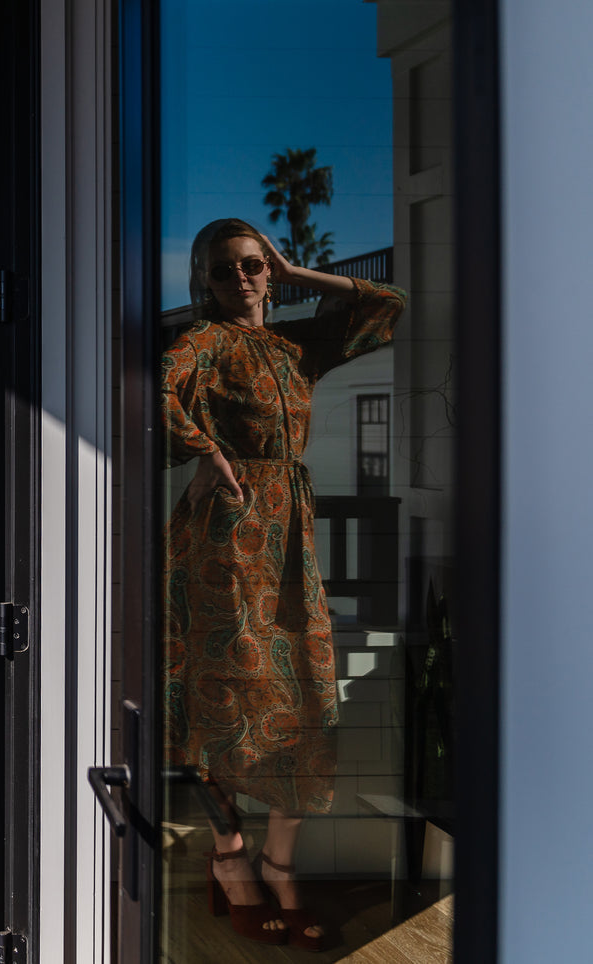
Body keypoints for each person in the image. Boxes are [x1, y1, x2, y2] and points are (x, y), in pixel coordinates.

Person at [162, 218, 406, 950]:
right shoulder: (203, 344)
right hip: (224, 535)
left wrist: (300, 276)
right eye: (222, 271)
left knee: (300, 692)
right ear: (203, 283)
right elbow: (151, 395)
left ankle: (278, 858)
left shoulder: (294, 344)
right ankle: (231, 853)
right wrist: (202, 450)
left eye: (251, 266)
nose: (239, 279)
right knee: (216, 691)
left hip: (290, 535)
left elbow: (387, 303)